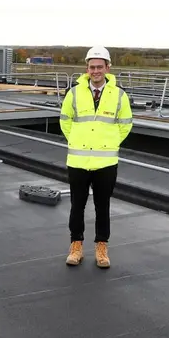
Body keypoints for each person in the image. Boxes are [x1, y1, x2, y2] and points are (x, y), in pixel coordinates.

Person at [59, 45, 133, 268]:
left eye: (100, 67)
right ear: (87, 68)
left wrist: (110, 143)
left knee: (103, 206)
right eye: (92, 67)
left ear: (108, 68)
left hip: (105, 162)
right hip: (78, 161)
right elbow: (65, 120)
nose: (96, 71)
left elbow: (125, 124)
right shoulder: (74, 93)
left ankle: (101, 247)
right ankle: (76, 246)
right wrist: (77, 141)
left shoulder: (119, 95)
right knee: (77, 206)